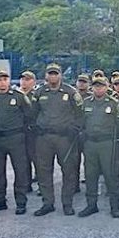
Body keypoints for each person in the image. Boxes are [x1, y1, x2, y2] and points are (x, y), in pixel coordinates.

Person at [30, 64, 83, 217]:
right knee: (44, 170)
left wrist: (75, 128)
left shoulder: (71, 92)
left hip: (64, 138)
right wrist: (35, 127)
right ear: (46, 76)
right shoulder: (39, 92)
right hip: (44, 138)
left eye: (56, 74)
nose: (53, 77)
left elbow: (80, 113)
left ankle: (67, 203)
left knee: (69, 171)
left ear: (60, 75)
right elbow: (32, 113)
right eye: (50, 74)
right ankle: (48, 203)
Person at [0, 70, 33, 216]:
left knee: (20, 171)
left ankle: (21, 202)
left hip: (15, 138)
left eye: (5, 79)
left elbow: (30, 116)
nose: (2, 82)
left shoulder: (19, 97)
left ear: (9, 81)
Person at [79, 77, 119, 218]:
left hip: (107, 144)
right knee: (90, 175)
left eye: (101, 86)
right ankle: (91, 205)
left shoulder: (114, 103)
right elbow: (81, 123)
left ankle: (115, 206)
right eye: (96, 86)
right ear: (92, 87)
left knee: (111, 174)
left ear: (106, 87)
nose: (98, 88)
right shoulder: (85, 103)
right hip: (90, 143)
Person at [19, 70, 39, 191]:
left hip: (34, 132)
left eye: (27, 79)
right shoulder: (16, 95)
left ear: (33, 82)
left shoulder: (37, 95)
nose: (24, 82)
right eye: (22, 79)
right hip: (20, 132)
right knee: (23, 159)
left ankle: (41, 185)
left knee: (37, 158)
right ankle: (26, 184)